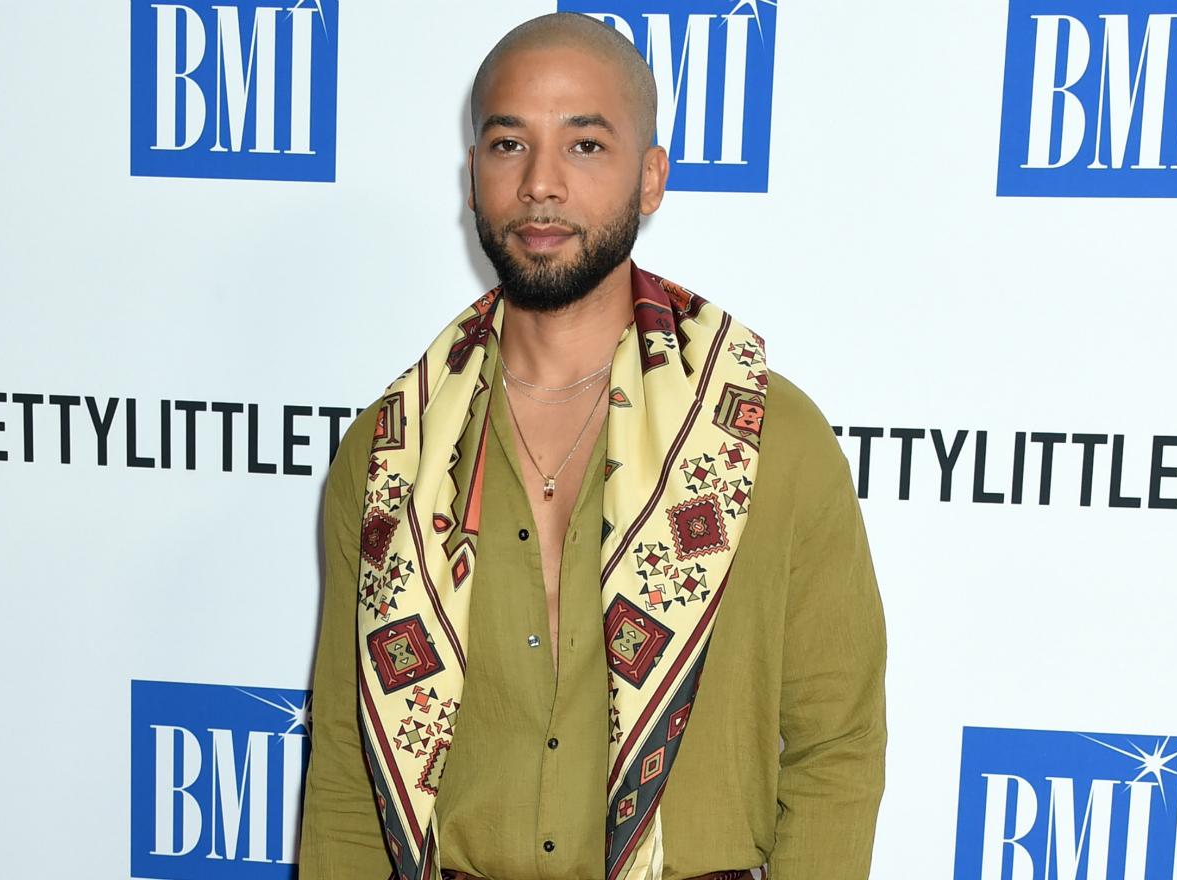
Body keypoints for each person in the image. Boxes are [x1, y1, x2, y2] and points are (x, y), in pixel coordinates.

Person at [298, 13, 886, 880]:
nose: (541, 185)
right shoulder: (392, 455)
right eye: (507, 145)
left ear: (651, 179)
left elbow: (837, 748)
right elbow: (349, 766)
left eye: (584, 147)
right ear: (472, 177)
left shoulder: (764, 440)